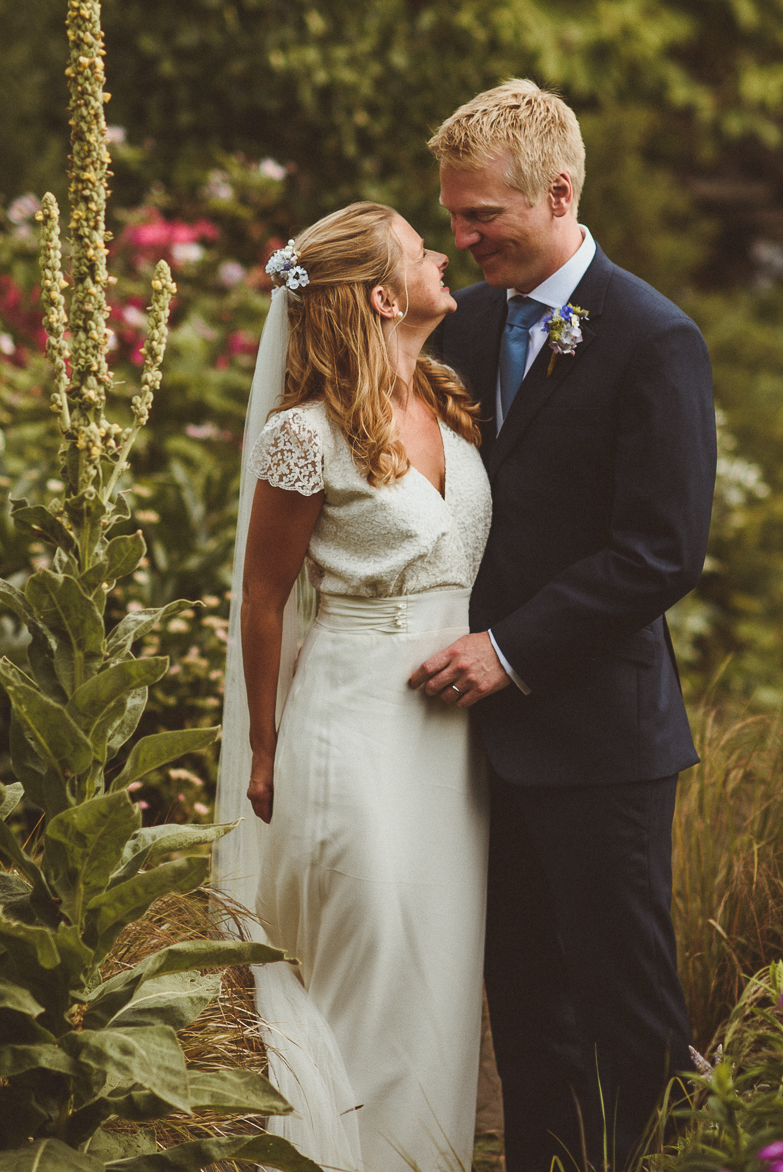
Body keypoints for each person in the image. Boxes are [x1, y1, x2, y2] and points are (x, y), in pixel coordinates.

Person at [411, 80, 719, 1172]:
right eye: (450, 216)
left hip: (598, 743)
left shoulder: (653, 339)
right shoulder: (469, 321)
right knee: (528, 1015)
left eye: (478, 216)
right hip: (477, 748)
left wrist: (509, 650)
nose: (460, 238)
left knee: (628, 1017)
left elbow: (660, 550)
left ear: (554, 192)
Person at [213, 201, 492, 1172]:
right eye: (422, 250)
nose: (442, 256)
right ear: (382, 296)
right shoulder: (301, 435)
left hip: (450, 743)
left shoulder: (445, 404)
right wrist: (262, 744)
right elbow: (261, 598)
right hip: (350, 725)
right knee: (363, 958)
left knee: (434, 974)